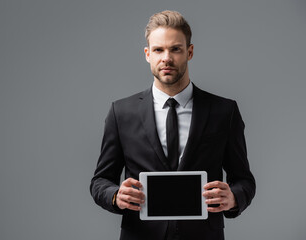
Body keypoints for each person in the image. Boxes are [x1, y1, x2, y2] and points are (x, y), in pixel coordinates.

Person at [90, 10, 255, 240]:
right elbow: (100, 180)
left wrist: (234, 197)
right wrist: (116, 195)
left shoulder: (223, 111)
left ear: (190, 52)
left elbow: (244, 179)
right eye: (158, 50)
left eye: (175, 49)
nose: (166, 57)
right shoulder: (121, 112)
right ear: (148, 54)